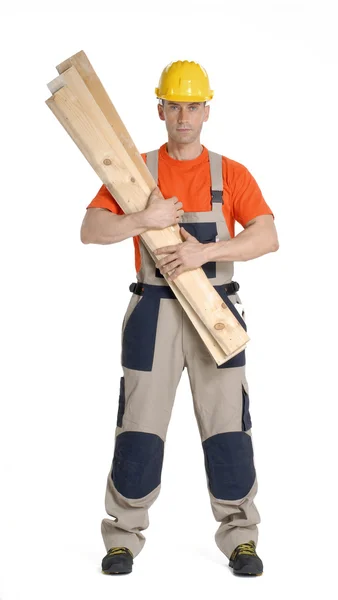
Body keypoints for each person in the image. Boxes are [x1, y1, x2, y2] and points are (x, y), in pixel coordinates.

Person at [80, 60, 279, 577]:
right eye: (175, 105)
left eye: (193, 106)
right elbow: (91, 229)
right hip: (153, 311)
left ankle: (241, 537)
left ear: (207, 110)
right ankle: (122, 536)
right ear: (160, 109)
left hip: (216, 313)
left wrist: (205, 253)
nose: (184, 116)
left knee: (228, 427)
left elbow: (267, 236)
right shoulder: (133, 170)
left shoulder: (230, 173)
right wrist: (143, 219)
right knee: (140, 427)